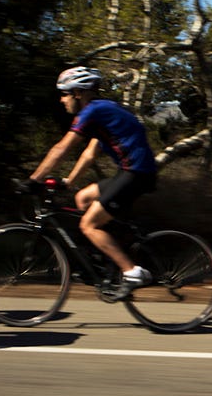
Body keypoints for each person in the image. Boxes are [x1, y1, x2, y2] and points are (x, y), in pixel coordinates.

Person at [23, 66, 158, 299]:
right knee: (82, 198)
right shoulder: (104, 110)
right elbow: (89, 153)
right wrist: (69, 181)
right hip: (132, 171)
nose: (61, 99)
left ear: (78, 93)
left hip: (136, 174)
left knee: (89, 225)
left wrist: (33, 180)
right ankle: (105, 261)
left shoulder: (92, 112)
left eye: (65, 93)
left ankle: (132, 272)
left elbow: (62, 148)